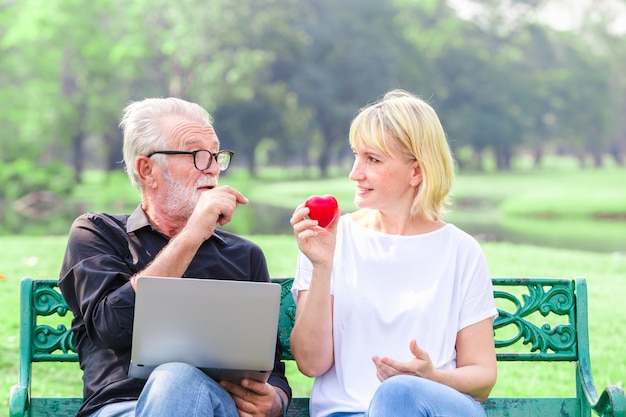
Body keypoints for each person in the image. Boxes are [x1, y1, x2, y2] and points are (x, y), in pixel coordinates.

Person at [59, 97, 291, 417]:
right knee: (174, 377)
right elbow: (109, 326)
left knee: (178, 378)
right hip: (120, 409)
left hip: (215, 408)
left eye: (215, 155)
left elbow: (268, 364)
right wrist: (192, 235)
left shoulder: (243, 255)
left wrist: (275, 400)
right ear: (147, 169)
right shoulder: (97, 233)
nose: (211, 167)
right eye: (196, 154)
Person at [289, 89, 498, 417]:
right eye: (356, 155)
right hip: (349, 412)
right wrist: (321, 266)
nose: (355, 173)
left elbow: (483, 377)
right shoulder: (328, 241)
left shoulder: (461, 252)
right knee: (393, 397)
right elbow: (311, 364)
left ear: (416, 171)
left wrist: (431, 378)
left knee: (399, 394)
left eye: (372, 159)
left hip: (435, 409)